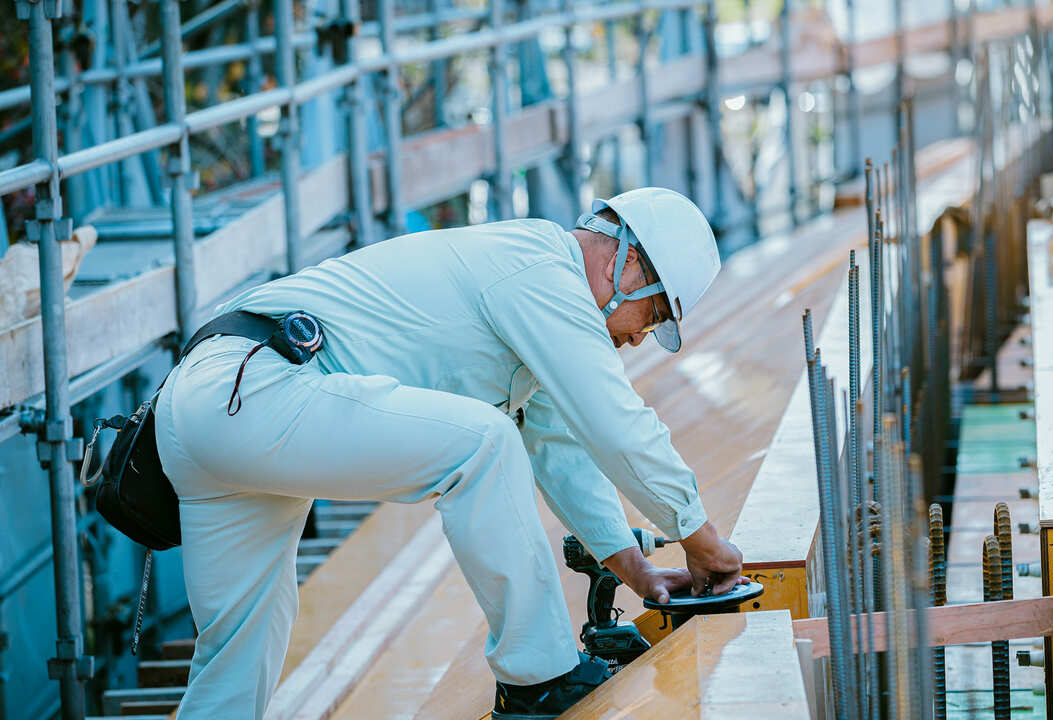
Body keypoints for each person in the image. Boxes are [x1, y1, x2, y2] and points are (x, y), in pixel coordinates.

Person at [154, 187, 747, 720]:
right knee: (483, 442)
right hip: (260, 391)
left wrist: (633, 568)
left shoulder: (521, 273)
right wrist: (700, 537)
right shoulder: (543, 273)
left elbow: (561, 446)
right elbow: (616, 424)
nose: (642, 337)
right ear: (629, 263)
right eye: (656, 313)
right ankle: (538, 678)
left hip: (207, 403)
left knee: (239, 650)